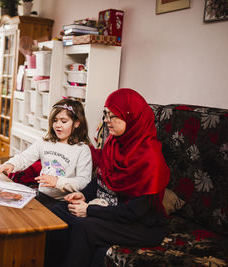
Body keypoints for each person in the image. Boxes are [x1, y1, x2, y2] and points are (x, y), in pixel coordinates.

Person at [50, 88, 171, 267]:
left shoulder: (151, 159)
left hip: (141, 225)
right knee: (59, 209)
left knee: (85, 227)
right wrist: (83, 195)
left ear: (132, 117)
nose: (107, 121)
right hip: (113, 209)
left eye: (113, 116)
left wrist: (89, 210)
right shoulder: (114, 143)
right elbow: (101, 180)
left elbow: (133, 212)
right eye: (106, 114)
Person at [0, 98, 92, 207]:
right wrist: (10, 164)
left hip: (64, 202)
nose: (58, 125)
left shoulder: (82, 149)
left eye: (64, 121)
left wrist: (57, 182)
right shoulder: (44, 142)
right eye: (55, 120)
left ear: (77, 123)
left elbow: (83, 180)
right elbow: (25, 157)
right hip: (42, 196)